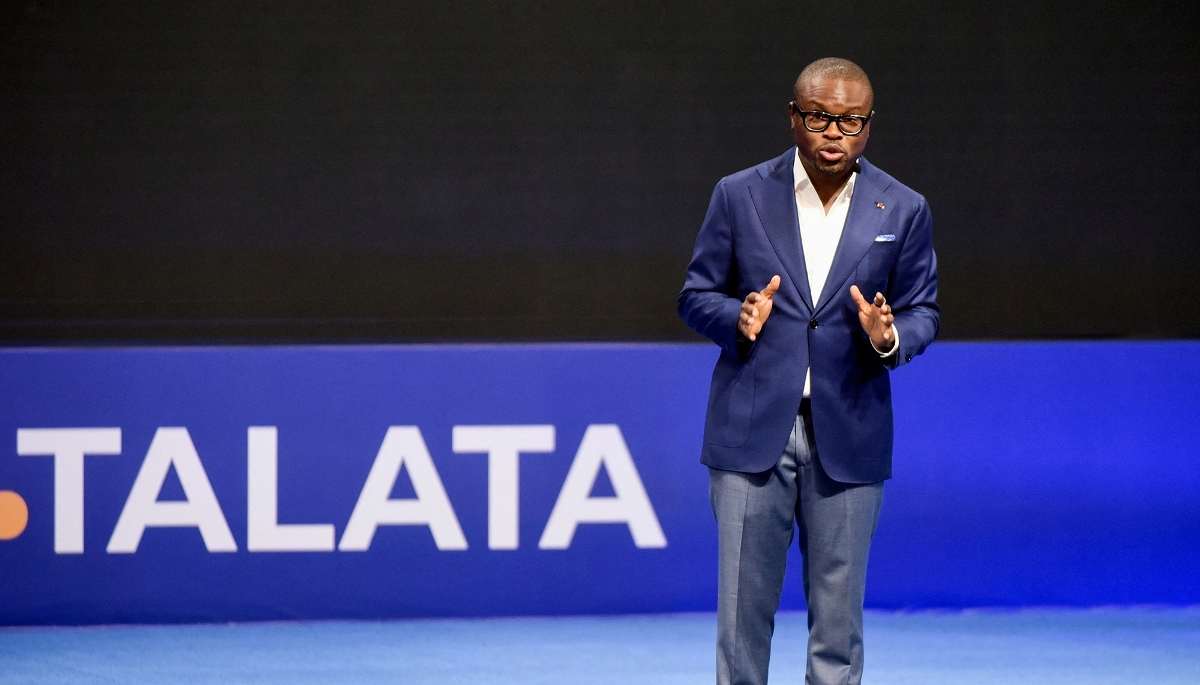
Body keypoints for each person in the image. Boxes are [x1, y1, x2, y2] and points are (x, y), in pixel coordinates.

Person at [677, 57, 939, 685]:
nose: (834, 134)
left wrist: (889, 336)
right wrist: (737, 317)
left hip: (849, 431)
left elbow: (923, 310)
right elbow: (696, 294)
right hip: (751, 433)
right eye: (820, 117)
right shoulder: (739, 194)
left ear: (868, 125)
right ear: (794, 118)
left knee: (838, 630)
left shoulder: (903, 207)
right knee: (741, 623)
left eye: (851, 122)